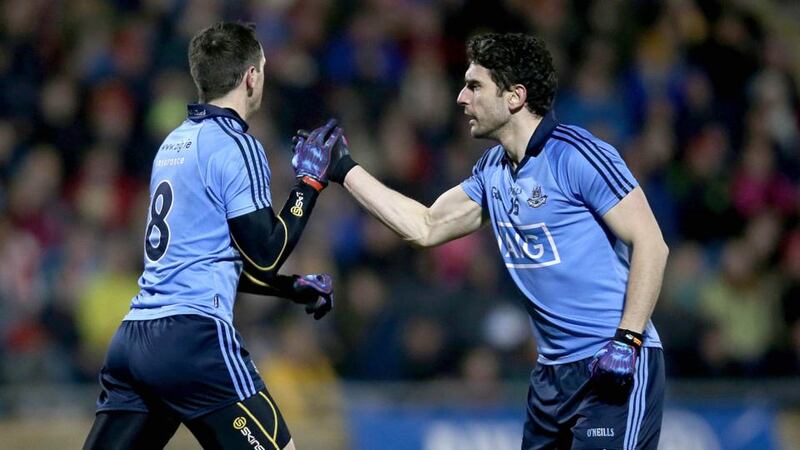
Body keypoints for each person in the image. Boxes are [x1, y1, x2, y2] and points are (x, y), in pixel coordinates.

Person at [322, 33, 669, 449]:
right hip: (551, 377)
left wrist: (628, 339)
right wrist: (344, 169)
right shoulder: (492, 172)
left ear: (515, 97)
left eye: (474, 86)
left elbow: (651, 242)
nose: (460, 98)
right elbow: (426, 226)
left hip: (614, 363)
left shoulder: (576, 155)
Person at [83, 22, 341, 450]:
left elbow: (200, 261)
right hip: (194, 342)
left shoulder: (173, 144)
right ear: (251, 77)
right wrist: (309, 185)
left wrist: (289, 289)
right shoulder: (236, 144)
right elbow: (267, 253)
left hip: (133, 342)